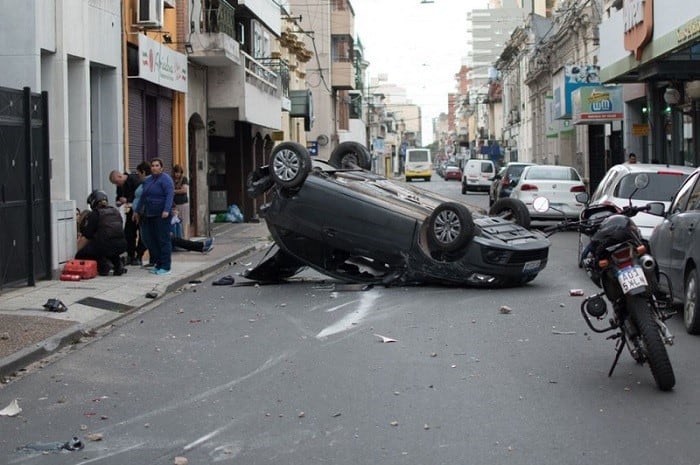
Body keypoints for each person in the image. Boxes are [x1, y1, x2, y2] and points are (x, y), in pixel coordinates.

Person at [133, 158, 175, 276]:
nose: (154, 168)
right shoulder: (148, 180)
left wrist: (166, 210)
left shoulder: (166, 180)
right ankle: (158, 263)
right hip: (148, 213)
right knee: (150, 239)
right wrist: (137, 211)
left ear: (161, 168)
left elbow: (169, 195)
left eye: (157, 165)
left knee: (163, 240)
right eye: (152, 166)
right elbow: (143, 197)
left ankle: (166, 266)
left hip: (162, 214)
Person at [75, 190, 127, 276]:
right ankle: (118, 265)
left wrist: (77, 251)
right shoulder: (115, 211)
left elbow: (87, 236)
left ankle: (104, 265)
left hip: (105, 246)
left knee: (83, 254)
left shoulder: (95, 214)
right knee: (111, 251)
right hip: (121, 245)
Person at [109, 169, 145, 265]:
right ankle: (130, 255)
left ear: (120, 177)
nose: (117, 185)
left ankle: (139, 256)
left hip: (140, 210)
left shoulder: (134, 180)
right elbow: (119, 196)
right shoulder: (120, 185)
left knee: (142, 234)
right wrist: (118, 201)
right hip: (129, 211)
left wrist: (127, 199)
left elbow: (140, 196)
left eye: (117, 182)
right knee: (128, 233)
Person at [172, 164, 190, 239]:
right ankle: (178, 239)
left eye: (179, 172)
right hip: (174, 204)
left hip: (183, 203)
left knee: (183, 222)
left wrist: (174, 191)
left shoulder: (184, 179)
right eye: (176, 172)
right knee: (176, 223)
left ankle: (184, 239)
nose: (177, 174)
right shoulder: (171, 179)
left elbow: (184, 190)